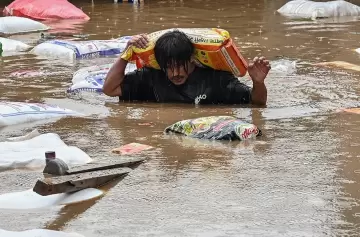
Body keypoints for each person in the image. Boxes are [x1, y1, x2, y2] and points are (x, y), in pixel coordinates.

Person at [103, 30, 270, 105]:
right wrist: (126, 54)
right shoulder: (151, 78)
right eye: (169, 67)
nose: (175, 73)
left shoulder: (216, 80)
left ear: (192, 60)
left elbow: (257, 103)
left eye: (180, 65)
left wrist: (258, 83)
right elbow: (110, 89)